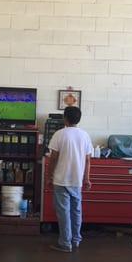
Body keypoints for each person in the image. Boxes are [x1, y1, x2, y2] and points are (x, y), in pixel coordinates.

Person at [46, 106, 92, 253]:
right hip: (76, 181)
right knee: (76, 210)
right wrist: (87, 179)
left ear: (65, 118)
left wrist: (49, 175)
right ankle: (76, 240)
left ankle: (65, 243)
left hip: (61, 180)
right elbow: (88, 160)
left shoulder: (59, 134)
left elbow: (53, 158)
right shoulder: (85, 135)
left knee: (63, 212)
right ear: (79, 119)